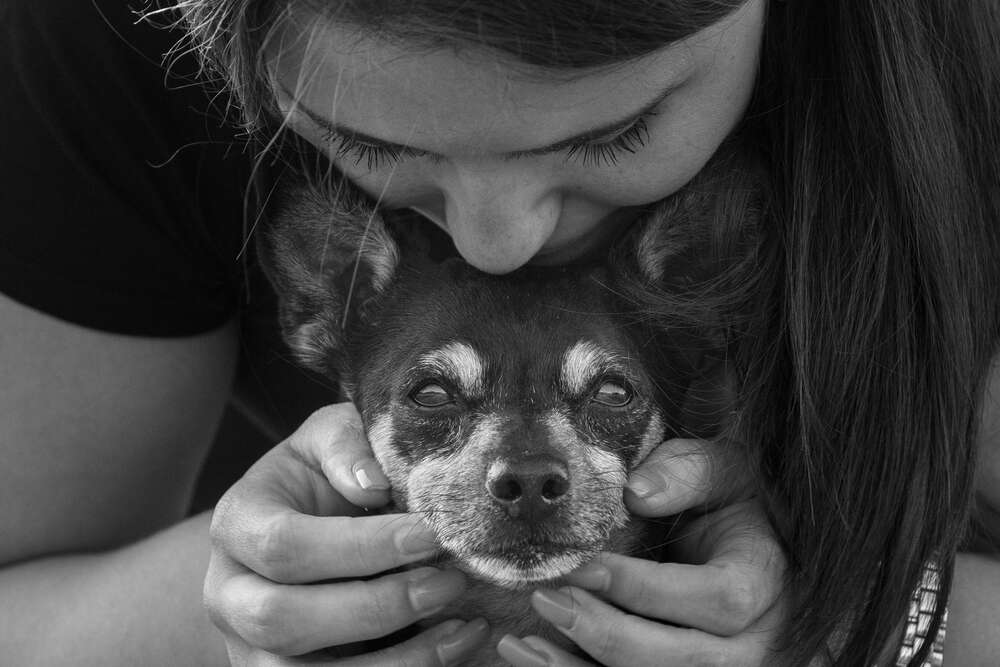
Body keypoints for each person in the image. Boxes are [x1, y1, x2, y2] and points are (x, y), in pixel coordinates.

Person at [1, 0, 997, 665]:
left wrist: (859, 613)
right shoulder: (102, 34)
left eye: (611, 131)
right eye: (369, 143)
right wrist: (253, 593)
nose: (494, 245)